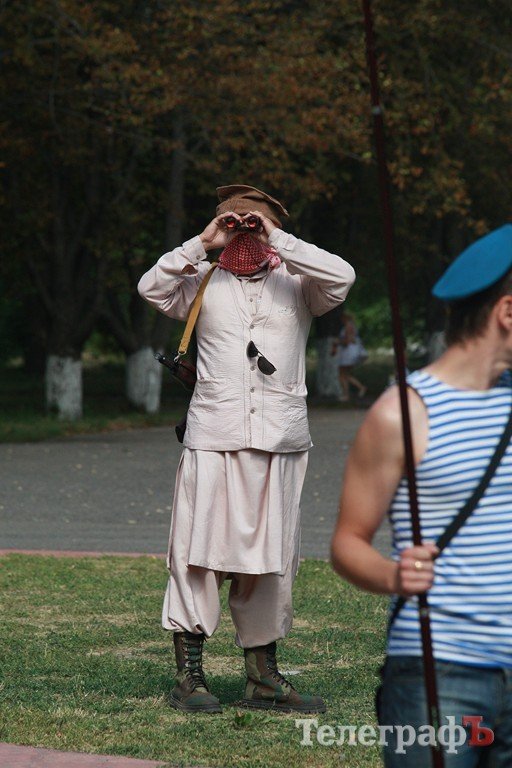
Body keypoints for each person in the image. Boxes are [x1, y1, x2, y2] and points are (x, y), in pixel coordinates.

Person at [138, 184, 355, 714]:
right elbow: (150, 287)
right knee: (195, 555)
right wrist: (203, 241)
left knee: (271, 561)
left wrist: (277, 237)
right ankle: (189, 678)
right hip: (213, 436)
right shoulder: (201, 280)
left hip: (278, 439)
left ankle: (263, 679)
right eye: (234, 223)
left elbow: (343, 276)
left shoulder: (300, 283)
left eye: (253, 223)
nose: (244, 232)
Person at [331, 224, 512, 766]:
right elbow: (347, 542)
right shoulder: (402, 414)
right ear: (507, 313)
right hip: (440, 670)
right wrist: (394, 576)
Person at [331, 310, 367, 401]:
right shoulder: (352, 325)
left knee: (342, 374)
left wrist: (337, 342)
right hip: (349, 352)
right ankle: (352, 391)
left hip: (348, 353)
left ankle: (350, 392)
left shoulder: (348, 326)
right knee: (345, 374)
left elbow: (347, 342)